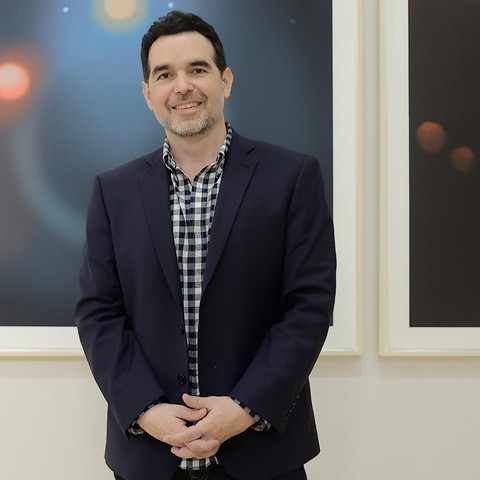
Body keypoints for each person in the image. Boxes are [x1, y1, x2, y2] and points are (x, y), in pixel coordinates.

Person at [75, 10, 336, 480]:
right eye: (165, 74)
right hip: (148, 458)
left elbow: (309, 306)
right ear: (148, 93)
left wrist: (245, 407)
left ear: (226, 80)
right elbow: (98, 313)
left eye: (198, 69)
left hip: (262, 454)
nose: (183, 86)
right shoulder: (112, 191)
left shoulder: (292, 177)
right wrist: (145, 409)